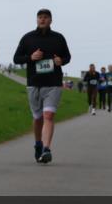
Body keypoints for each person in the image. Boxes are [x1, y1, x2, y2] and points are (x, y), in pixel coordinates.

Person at [13, 9, 71, 164]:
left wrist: (61, 61)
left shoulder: (58, 38)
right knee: (38, 117)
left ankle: (46, 148)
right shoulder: (28, 38)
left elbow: (67, 56)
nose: (42, 20)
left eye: (45, 17)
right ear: (36, 20)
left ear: (51, 20)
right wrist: (30, 57)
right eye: (40, 17)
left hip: (53, 83)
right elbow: (16, 58)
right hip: (34, 83)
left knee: (48, 116)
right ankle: (38, 143)